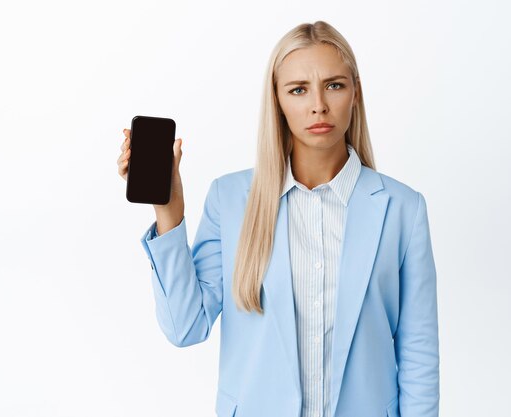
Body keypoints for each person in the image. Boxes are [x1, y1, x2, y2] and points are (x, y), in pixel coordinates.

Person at [117, 20, 439, 417]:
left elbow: (418, 351)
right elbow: (186, 326)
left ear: (355, 92)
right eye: (298, 89)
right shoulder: (230, 199)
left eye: (334, 85)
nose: (318, 104)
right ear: (278, 100)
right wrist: (168, 209)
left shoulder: (403, 209)